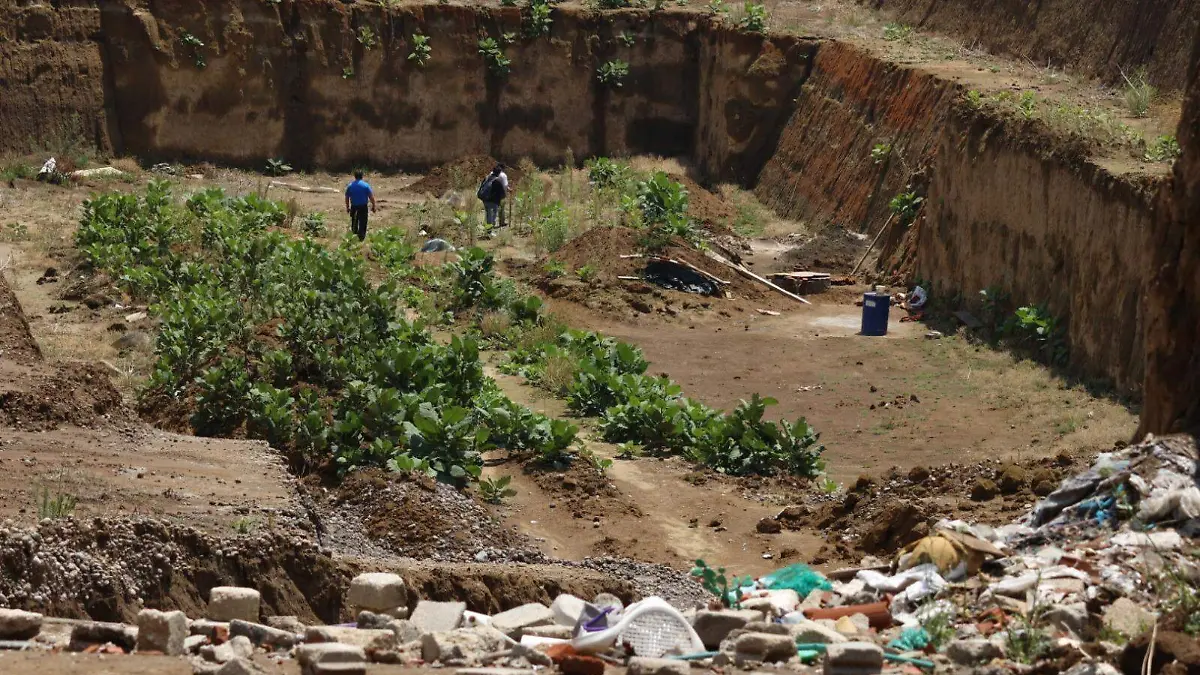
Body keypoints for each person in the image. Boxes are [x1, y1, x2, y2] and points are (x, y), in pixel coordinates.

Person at [345, 170, 376, 241]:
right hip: (363, 207)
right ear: (362, 176)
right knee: (363, 222)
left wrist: (347, 207)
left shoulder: (350, 186)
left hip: (354, 206)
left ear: (355, 176)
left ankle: (354, 236)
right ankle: (361, 237)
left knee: (354, 221)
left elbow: (347, 197)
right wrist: (374, 206)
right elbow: (371, 197)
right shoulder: (365, 185)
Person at [477, 164, 509, 228]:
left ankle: (488, 226)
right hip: (494, 201)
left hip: (485, 199)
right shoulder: (497, 181)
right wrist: (502, 198)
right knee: (494, 214)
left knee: (488, 213)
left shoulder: (487, 177)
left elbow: (481, 186)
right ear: (499, 172)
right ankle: (490, 228)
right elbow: (502, 192)